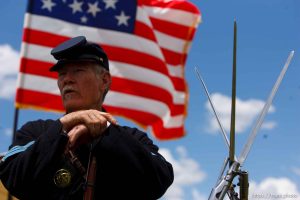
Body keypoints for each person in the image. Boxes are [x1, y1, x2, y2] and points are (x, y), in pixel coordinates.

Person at [0, 36, 174, 200]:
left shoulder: (133, 138)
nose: (67, 79)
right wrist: (64, 126)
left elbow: (159, 180)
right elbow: (14, 178)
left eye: (78, 70)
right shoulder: (36, 131)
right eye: (62, 74)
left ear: (105, 80)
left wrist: (103, 132)